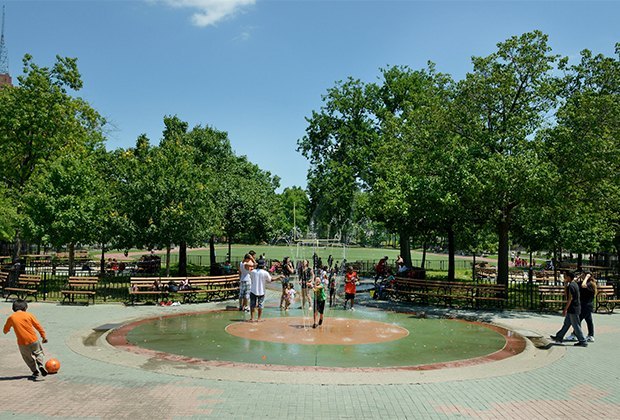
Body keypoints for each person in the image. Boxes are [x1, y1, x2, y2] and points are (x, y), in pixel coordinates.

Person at [3, 299, 48, 379]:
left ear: (13, 308)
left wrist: (6, 331)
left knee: (27, 358)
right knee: (39, 353)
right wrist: (43, 336)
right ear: (25, 308)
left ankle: (35, 371)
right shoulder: (29, 315)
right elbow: (38, 326)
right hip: (33, 340)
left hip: (22, 343)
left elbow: (5, 329)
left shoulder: (11, 318)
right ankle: (40, 364)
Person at [550, 271, 588, 347]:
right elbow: (566, 295)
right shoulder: (574, 284)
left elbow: (569, 299)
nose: (564, 277)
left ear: (569, 277)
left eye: (565, 276)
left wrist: (565, 309)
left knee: (576, 325)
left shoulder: (571, 286)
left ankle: (583, 341)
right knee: (566, 324)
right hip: (574, 307)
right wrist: (565, 285)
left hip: (573, 308)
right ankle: (559, 337)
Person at [567, 272, 597, 342]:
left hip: (586, 305)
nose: (582, 276)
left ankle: (574, 335)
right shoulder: (583, 282)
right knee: (589, 320)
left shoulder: (590, 284)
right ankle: (590, 335)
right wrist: (579, 277)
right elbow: (573, 282)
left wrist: (586, 277)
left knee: (578, 320)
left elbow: (583, 285)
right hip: (585, 305)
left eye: (584, 275)